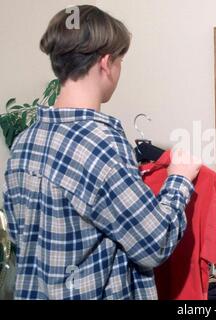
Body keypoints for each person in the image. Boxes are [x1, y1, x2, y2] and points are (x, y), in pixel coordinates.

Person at [2, 5, 200, 299]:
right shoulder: (102, 145)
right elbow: (155, 243)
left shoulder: (24, 143)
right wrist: (179, 179)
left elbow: (22, 239)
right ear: (106, 63)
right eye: (120, 60)